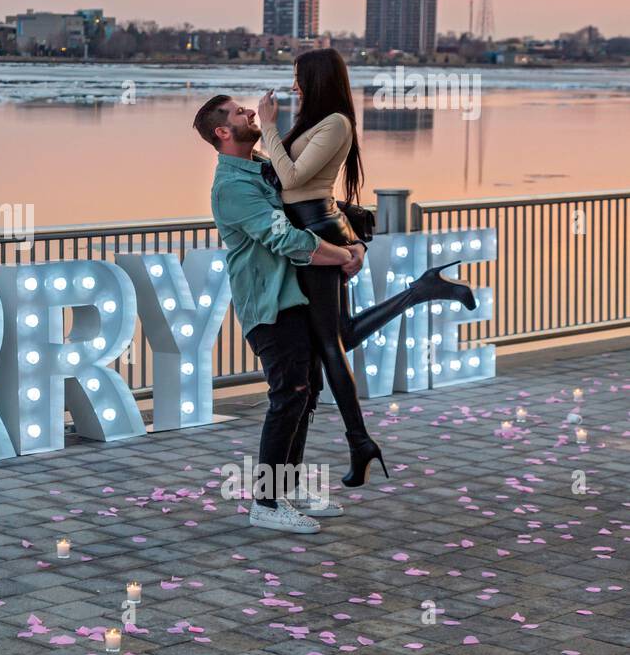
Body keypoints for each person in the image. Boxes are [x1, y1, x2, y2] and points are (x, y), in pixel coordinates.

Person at [258, 47, 477, 486]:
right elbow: (287, 176)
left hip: (317, 230)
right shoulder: (317, 123)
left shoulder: (335, 123)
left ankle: (359, 441)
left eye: (300, 77)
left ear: (319, 80)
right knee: (337, 336)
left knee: (328, 343)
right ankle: (422, 290)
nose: (294, 85)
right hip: (314, 227)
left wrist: (267, 127)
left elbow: (294, 179)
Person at [195, 94, 364, 534]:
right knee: (288, 393)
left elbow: (310, 204)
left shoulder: (265, 167)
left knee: (304, 394)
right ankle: (266, 503)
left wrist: (354, 243)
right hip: (268, 304)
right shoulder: (232, 187)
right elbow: (285, 238)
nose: (251, 113)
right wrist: (340, 256)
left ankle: (284, 488)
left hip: (296, 296)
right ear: (222, 132)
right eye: (239, 113)